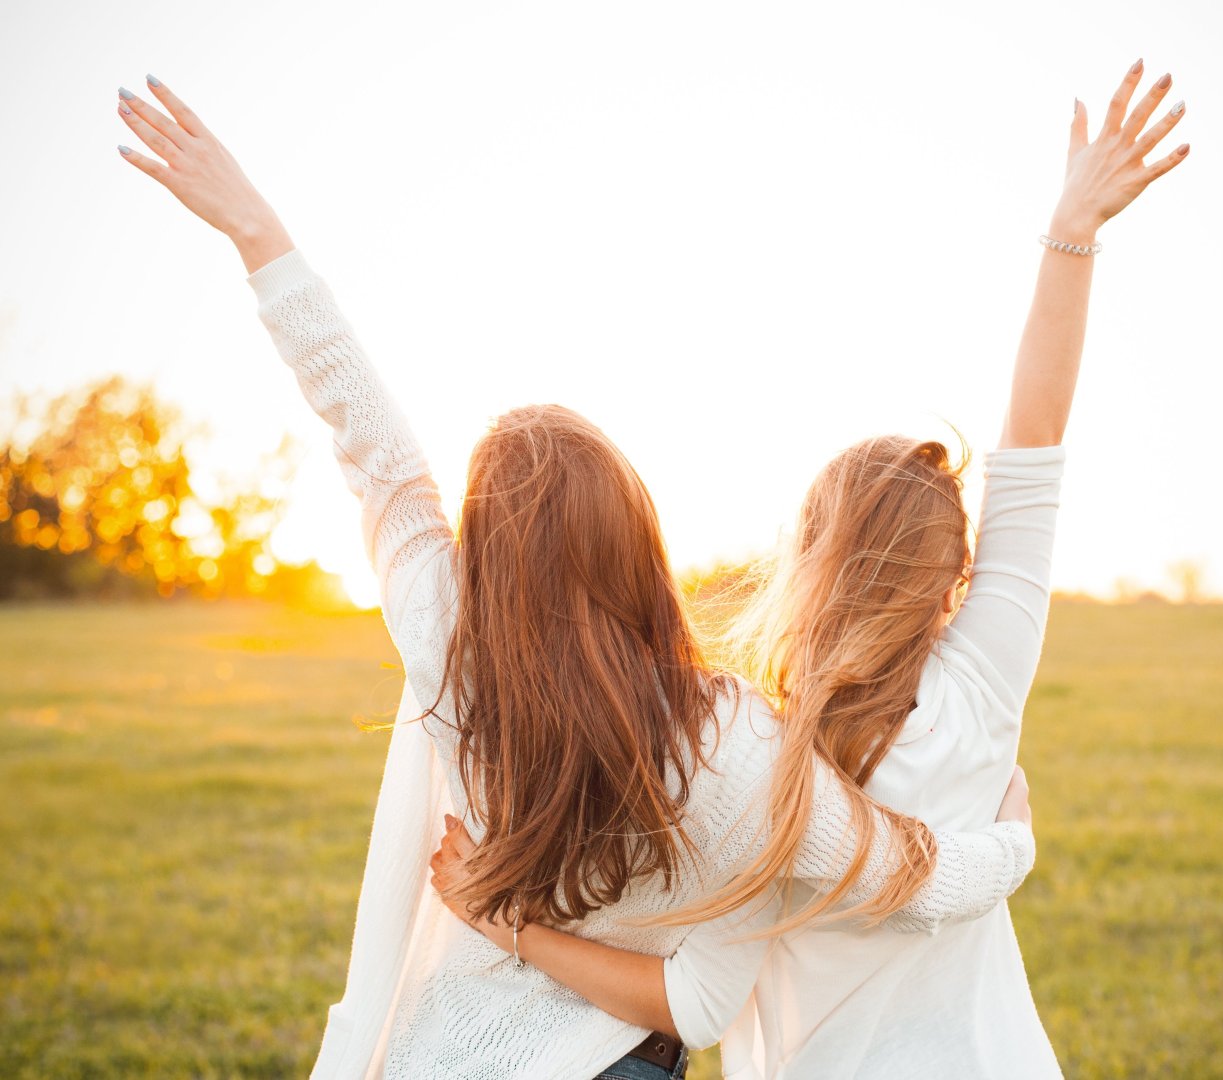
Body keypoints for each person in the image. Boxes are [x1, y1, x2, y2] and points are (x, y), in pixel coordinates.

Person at [113, 74, 1041, 1080]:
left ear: (486, 559)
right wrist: (1011, 851)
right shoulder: (731, 744)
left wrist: (257, 232)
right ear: (641, 545)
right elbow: (906, 875)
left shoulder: (449, 641)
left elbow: (370, 443)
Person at [428, 56, 1190, 1078]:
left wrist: (508, 920)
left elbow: (693, 995)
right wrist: (1072, 233)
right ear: (955, 583)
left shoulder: (753, 756)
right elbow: (1036, 434)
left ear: (805, 560)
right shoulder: (978, 693)